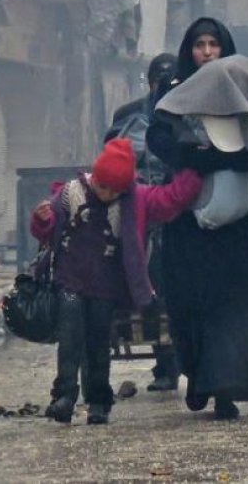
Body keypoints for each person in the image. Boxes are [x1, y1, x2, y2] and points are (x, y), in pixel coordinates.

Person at [146, 17, 248, 420]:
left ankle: (225, 390)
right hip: (188, 222)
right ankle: (198, 376)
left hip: (238, 225)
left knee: (232, 309)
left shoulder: (246, 88)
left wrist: (212, 156)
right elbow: (160, 140)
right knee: (188, 306)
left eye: (213, 45)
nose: (207, 52)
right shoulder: (173, 94)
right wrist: (198, 156)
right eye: (199, 44)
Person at [30, 138, 203, 425]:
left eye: (114, 190)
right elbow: (45, 230)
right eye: (102, 186)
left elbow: (171, 198)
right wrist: (41, 220)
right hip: (68, 281)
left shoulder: (136, 201)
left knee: (99, 342)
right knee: (70, 338)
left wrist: (194, 171)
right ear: (94, 177)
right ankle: (64, 397)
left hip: (105, 288)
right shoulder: (69, 194)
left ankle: (98, 401)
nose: (107, 193)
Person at [103, 52, 180, 392]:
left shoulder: (187, 114)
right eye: (158, 78)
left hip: (175, 209)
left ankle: (169, 362)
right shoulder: (129, 115)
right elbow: (112, 157)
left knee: (170, 285)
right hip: (137, 211)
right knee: (136, 283)